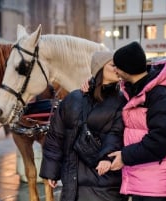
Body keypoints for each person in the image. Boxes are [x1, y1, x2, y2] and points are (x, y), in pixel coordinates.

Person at [40, 51, 128, 201]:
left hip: (105, 183)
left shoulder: (122, 101)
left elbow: (118, 134)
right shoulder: (73, 98)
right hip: (71, 183)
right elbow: (56, 135)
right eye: (113, 65)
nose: (117, 69)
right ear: (99, 68)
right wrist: (51, 170)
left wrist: (107, 158)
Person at [108, 41, 166, 201]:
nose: (114, 70)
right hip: (145, 180)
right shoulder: (135, 91)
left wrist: (125, 156)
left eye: (116, 66)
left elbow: (161, 140)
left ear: (127, 68)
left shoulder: (161, 96)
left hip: (158, 184)